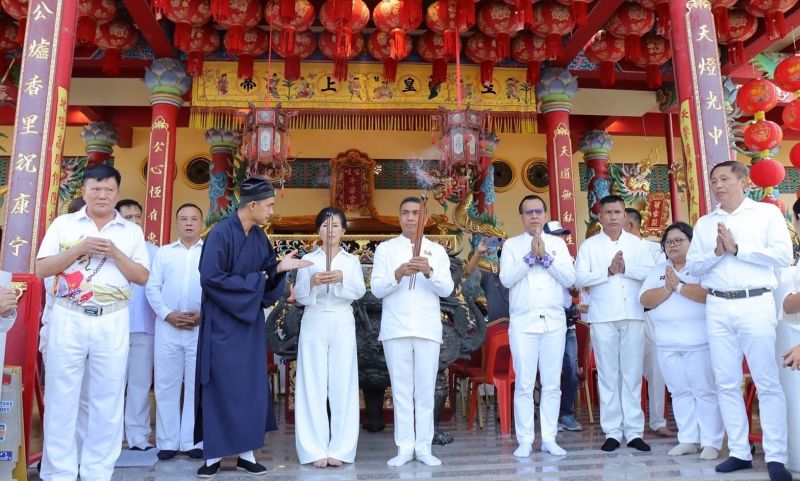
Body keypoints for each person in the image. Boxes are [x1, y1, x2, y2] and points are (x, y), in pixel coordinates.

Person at [36, 165, 150, 481]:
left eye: (109, 189)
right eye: (95, 188)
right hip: (68, 316)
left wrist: (115, 253)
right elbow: (42, 269)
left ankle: (97, 472)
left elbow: (142, 277)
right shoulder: (63, 224)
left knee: (108, 398)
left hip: (112, 319)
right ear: (84, 190)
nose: (102, 195)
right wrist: (79, 249)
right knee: (61, 396)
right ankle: (58, 472)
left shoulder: (130, 232)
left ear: (117, 193)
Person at [195, 177, 311, 477]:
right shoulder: (220, 234)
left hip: (248, 325)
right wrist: (262, 277)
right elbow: (210, 278)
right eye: (269, 205)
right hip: (221, 324)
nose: (272, 211)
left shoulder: (259, 237)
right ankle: (213, 457)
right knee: (220, 386)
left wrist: (278, 270)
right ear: (253, 204)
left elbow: (268, 275)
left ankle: (246, 453)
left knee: (249, 387)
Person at [686, 160, 793, 481]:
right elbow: (693, 267)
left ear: (743, 181)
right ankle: (739, 452)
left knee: (767, 381)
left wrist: (738, 249)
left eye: (724, 179)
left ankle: (776, 457)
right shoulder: (706, 222)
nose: (718, 185)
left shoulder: (766, 214)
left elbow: (783, 255)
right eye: (713, 180)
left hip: (756, 302)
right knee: (726, 381)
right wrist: (718, 253)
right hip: (718, 305)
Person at [370, 196, 454, 467]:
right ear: (399, 217)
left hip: (427, 328)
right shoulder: (385, 249)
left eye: (416, 213)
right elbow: (376, 289)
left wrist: (428, 271)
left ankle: (424, 447)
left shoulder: (437, 251)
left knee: (425, 390)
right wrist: (397, 274)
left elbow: (447, 290)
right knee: (402, 392)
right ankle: (404, 447)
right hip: (395, 328)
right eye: (405, 212)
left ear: (424, 218)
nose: (410, 218)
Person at [575, 194, 654, 453]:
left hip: (632, 313)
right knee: (608, 375)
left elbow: (650, 274)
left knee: (632, 374)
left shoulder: (637, 244)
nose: (612, 217)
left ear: (624, 216)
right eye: (607, 213)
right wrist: (608, 271)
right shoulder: (589, 246)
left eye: (617, 212)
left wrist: (625, 268)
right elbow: (579, 278)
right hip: (602, 316)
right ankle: (611, 432)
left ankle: (634, 432)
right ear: (600, 217)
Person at [639, 222, 723, 460]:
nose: (672, 245)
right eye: (668, 242)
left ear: (691, 242)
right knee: (679, 392)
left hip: (699, 342)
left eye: (678, 241)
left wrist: (679, 286)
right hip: (667, 344)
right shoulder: (658, 270)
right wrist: (668, 288)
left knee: (704, 391)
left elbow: (709, 295)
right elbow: (645, 299)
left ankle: (711, 442)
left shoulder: (702, 268)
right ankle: (688, 439)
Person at [500, 196, 576, 457]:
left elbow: (570, 278)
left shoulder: (558, 244)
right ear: (521, 217)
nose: (533, 216)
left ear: (545, 215)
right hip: (523, 323)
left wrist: (547, 259)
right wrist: (530, 257)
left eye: (538, 211)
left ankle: (550, 438)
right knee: (524, 383)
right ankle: (524, 439)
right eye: (528, 212)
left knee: (552, 383)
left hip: (554, 322)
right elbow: (507, 279)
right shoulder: (511, 245)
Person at [294, 207, 366, 468]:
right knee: (312, 383)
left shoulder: (352, 261)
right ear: (318, 231)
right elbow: (299, 296)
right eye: (325, 226)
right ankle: (313, 449)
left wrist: (342, 278)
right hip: (314, 318)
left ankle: (342, 448)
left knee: (342, 384)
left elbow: (359, 291)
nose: (331, 230)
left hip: (341, 318)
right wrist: (312, 282)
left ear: (344, 231)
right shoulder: (308, 259)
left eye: (336, 226)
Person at [145, 204, 205, 461]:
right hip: (168, 328)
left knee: (195, 386)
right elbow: (152, 288)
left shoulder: (211, 253)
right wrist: (167, 314)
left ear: (202, 223)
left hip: (200, 328)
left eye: (194, 219)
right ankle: (167, 441)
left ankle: (193, 441)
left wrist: (204, 315)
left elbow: (216, 289)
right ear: (176, 223)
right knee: (166, 385)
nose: (189, 223)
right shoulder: (163, 253)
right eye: (183, 219)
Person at [625, 207, 673, 438]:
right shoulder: (609, 248)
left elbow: (654, 278)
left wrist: (623, 270)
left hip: (649, 313)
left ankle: (657, 420)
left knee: (656, 367)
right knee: (624, 368)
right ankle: (627, 421)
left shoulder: (654, 249)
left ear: (631, 226)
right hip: (622, 313)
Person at [116, 198, 158, 452]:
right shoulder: (106, 250)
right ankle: (108, 435)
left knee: (140, 383)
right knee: (110, 383)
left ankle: (138, 435)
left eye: (137, 217)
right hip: (112, 326)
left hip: (144, 326)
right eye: (127, 217)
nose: (134, 221)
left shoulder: (153, 251)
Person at [542, 220, 583, 433]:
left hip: (567, 323)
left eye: (562, 235)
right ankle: (544, 417)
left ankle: (565, 413)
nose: (561, 239)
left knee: (571, 370)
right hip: (545, 322)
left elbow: (574, 289)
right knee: (544, 372)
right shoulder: (537, 259)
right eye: (556, 235)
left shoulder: (569, 259)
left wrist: (575, 290)